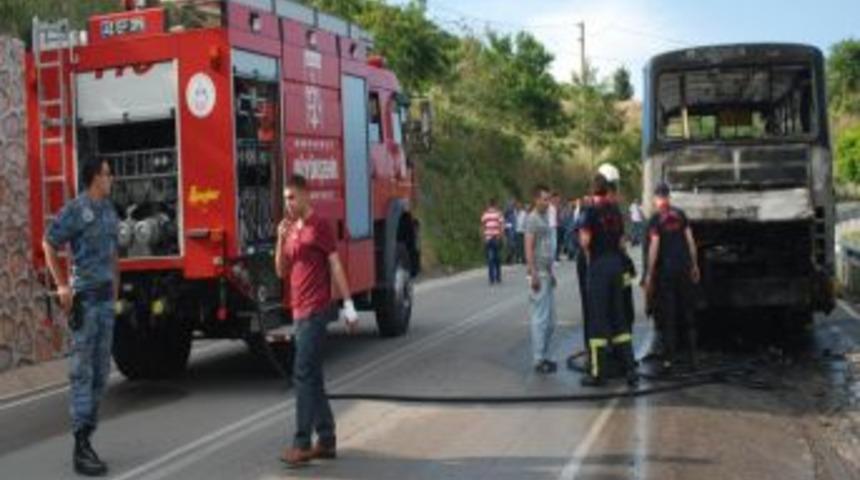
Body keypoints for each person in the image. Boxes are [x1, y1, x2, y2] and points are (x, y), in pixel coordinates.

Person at [276, 175, 360, 468]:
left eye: (292, 197)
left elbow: (335, 264)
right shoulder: (291, 229)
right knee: (313, 377)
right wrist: (279, 238)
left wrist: (349, 305)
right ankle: (326, 440)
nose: (288, 203)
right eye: (286, 198)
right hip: (298, 311)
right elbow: (281, 270)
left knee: (302, 373)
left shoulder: (319, 226)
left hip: (316, 309)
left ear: (305, 196)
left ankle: (301, 443)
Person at [43, 158, 119, 477]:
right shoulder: (77, 209)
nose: (111, 179)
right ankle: (80, 447)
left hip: (105, 303)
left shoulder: (110, 211)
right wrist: (62, 285)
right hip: (85, 303)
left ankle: (88, 437)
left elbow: (114, 254)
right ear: (93, 178)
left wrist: (116, 288)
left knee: (101, 374)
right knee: (82, 374)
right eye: (106, 173)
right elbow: (49, 241)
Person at [579, 174, 637, 387]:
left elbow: (585, 241)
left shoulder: (590, 212)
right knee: (619, 317)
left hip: (599, 269)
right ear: (607, 190)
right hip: (616, 267)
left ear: (594, 190)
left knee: (597, 322)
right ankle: (630, 369)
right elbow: (622, 242)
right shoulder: (615, 211)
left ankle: (597, 373)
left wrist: (588, 253)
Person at [643, 182, 701, 371]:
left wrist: (650, 274)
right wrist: (694, 265)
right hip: (684, 269)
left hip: (666, 272)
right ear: (669, 197)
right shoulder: (681, 215)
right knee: (687, 311)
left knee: (669, 315)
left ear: (656, 198)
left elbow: (654, 247)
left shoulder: (656, 219)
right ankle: (693, 358)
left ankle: (670, 359)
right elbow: (691, 241)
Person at [525, 185, 558, 374]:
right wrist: (533, 273)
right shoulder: (532, 219)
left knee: (552, 321)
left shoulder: (545, 217)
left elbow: (547, 247)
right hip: (538, 275)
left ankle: (545, 355)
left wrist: (552, 272)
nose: (547, 202)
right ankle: (538, 359)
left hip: (547, 273)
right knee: (540, 319)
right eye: (544, 199)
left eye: (548, 199)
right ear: (536, 199)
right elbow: (529, 247)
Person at [481, 199, 505, 284]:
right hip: (496, 238)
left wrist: (483, 237)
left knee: (490, 258)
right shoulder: (499, 214)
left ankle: (491, 278)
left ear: (489, 204)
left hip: (488, 238)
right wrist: (501, 236)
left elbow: (483, 226)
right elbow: (502, 226)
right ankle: (498, 277)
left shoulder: (485, 214)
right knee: (497, 258)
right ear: (495, 204)